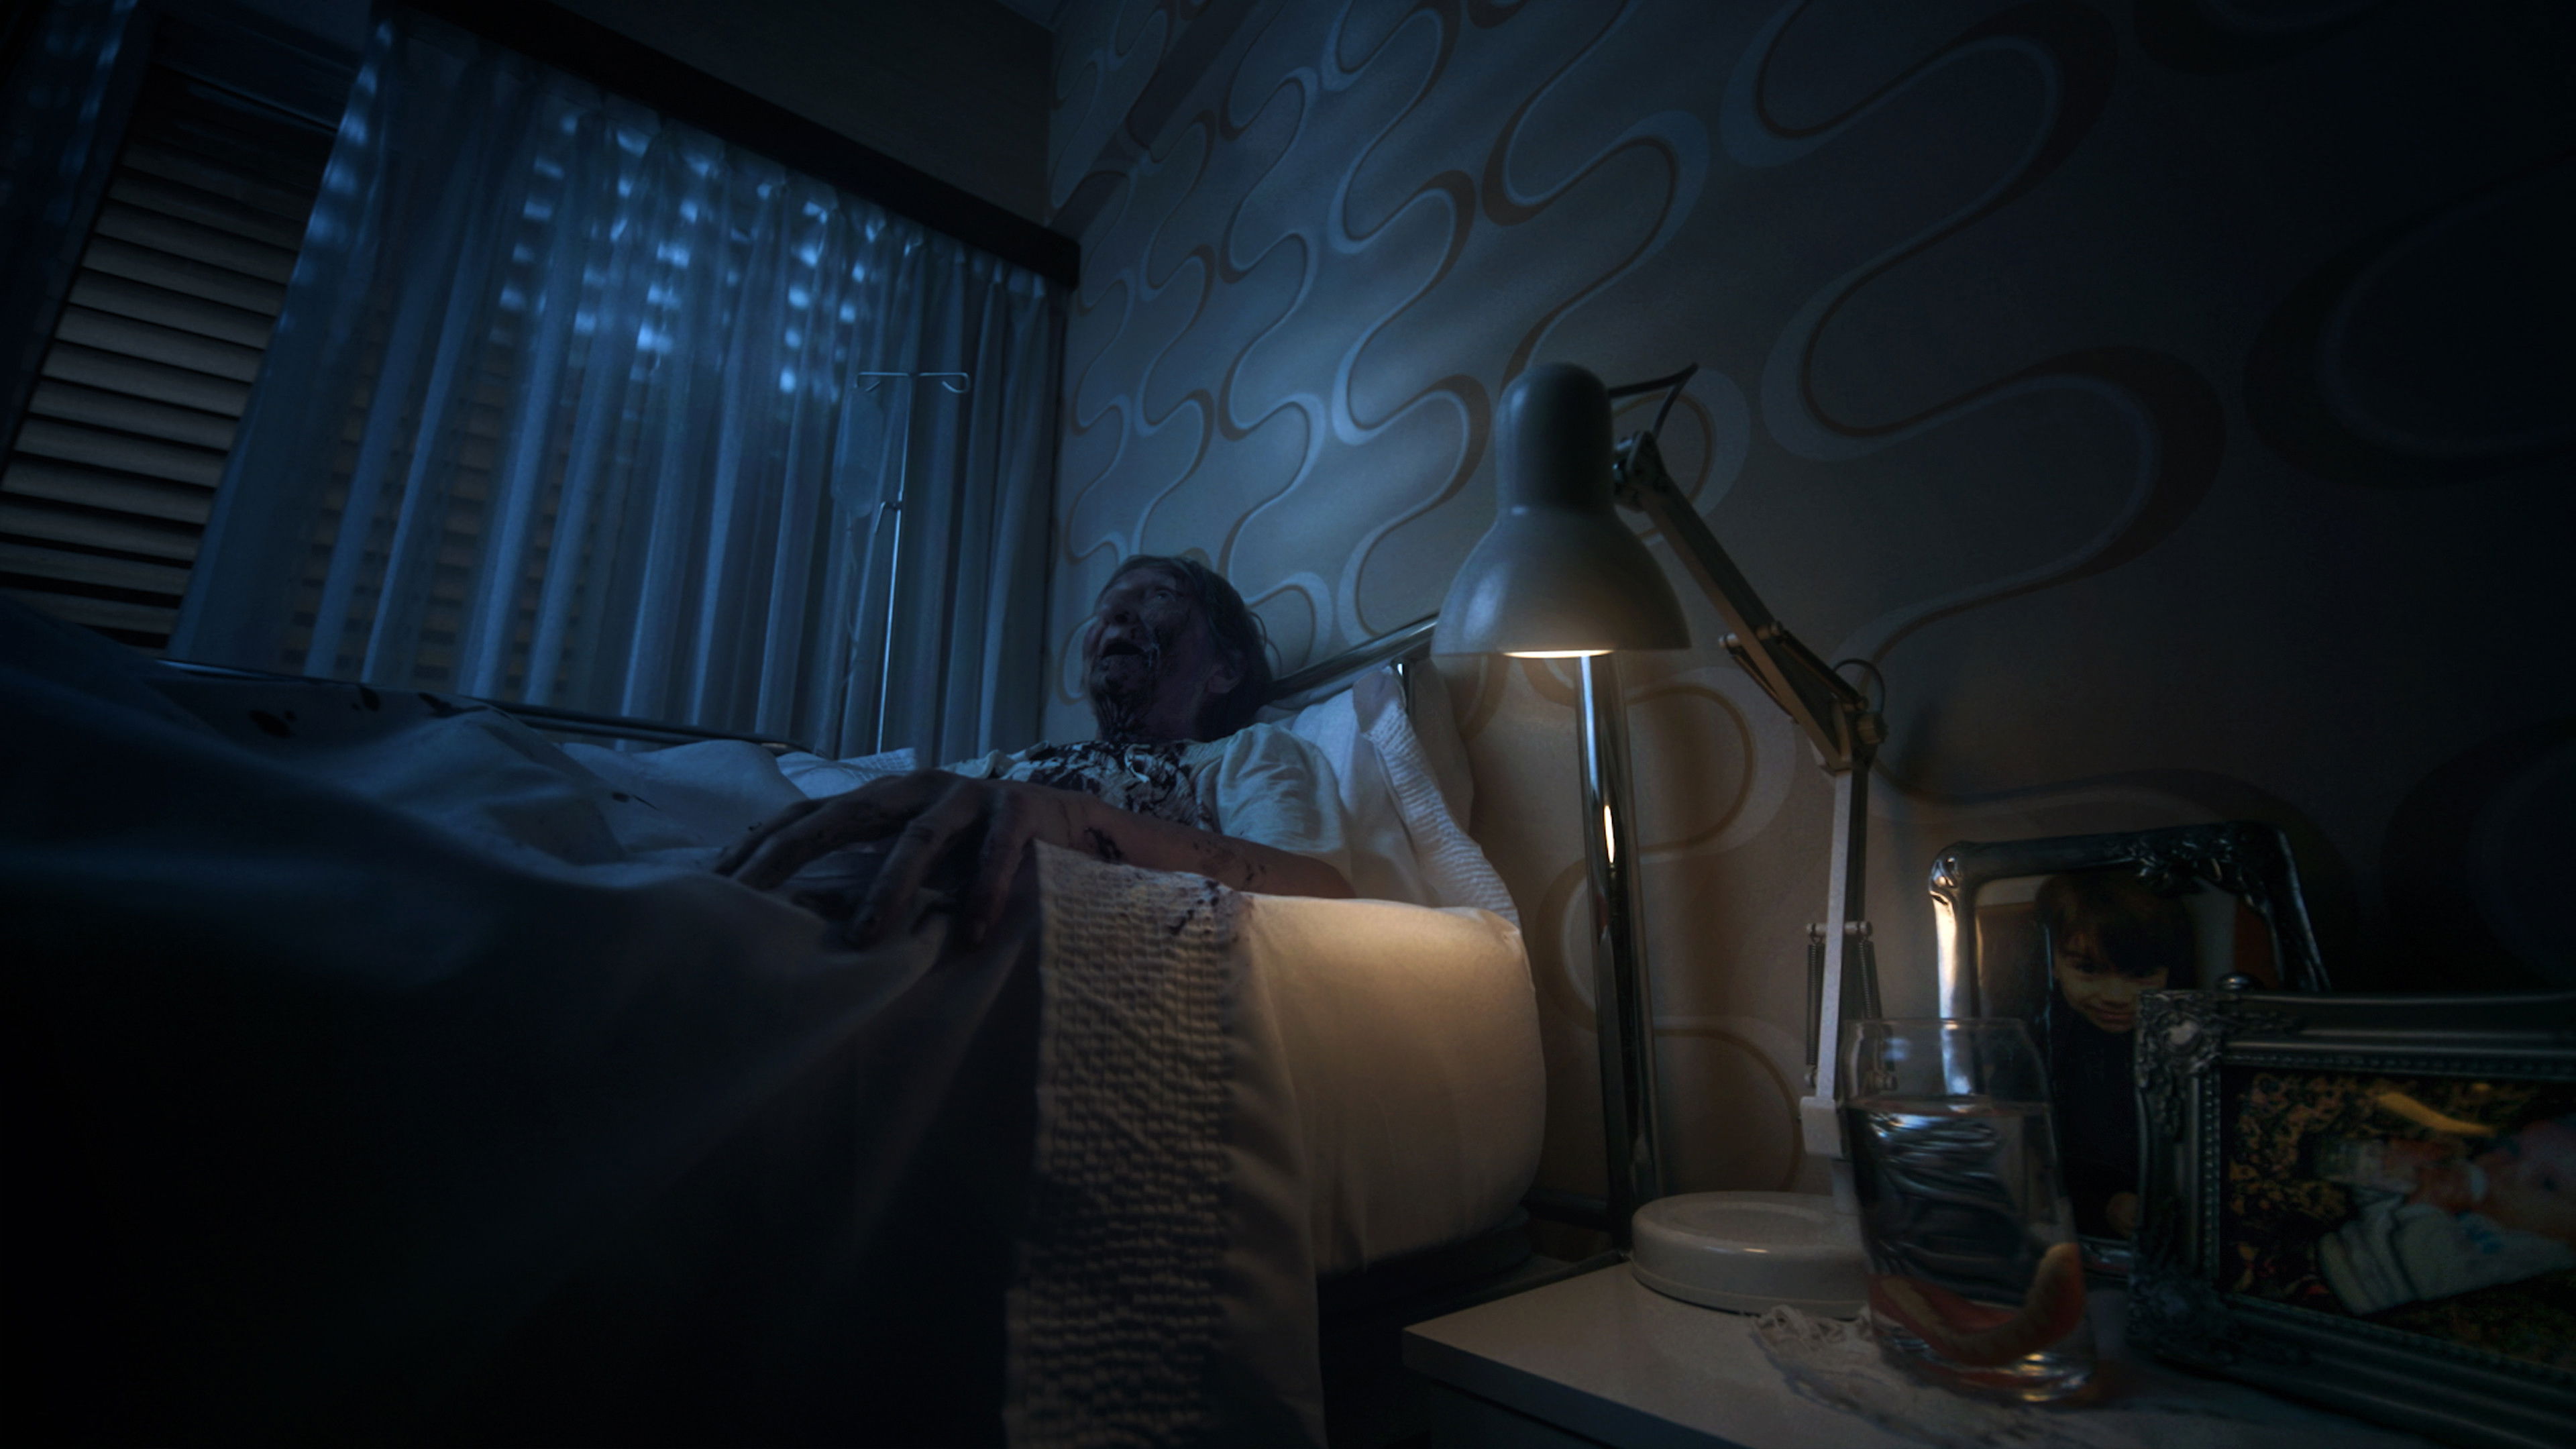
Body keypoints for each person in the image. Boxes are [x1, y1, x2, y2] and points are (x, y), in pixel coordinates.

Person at [717, 555, 1354, 944]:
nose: (1115, 617)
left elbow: (1319, 898)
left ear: (1225, 669)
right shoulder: (1003, 768)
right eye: (1106, 612)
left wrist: (1079, 821)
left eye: (1158, 597)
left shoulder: (1244, 754)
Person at [2031, 869, 2196, 1239]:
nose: (2116, 996)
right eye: (2088, 969)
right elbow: (2031, 1163)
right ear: (2053, 962)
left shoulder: (2191, 1047)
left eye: (2141, 974)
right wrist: (2103, 1204)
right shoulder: (2038, 1046)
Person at [2316, 1112, 2576, 1314]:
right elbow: (2374, 1210)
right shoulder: (2458, 1186)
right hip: (2325, 1255)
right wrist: (2388, 1170)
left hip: (2357, 1306)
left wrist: (2427, 1210)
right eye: (2513, 1151)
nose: (2509, 1171)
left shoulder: (2536, 1257)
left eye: (2547, 1183)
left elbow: (2440, 1282)